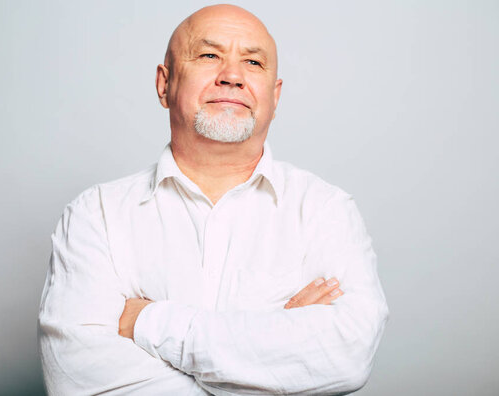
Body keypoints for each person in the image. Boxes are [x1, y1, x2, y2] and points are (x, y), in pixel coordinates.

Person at [38, 4, 388, 395]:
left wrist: (149, 322)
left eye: (253, 62)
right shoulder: (96, 216)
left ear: (275, 96)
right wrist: (274, 351)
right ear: (164, 84)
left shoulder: (326, 212)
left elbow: (347, 357)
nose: (233, 76)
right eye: (209, 55)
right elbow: (80, 382)